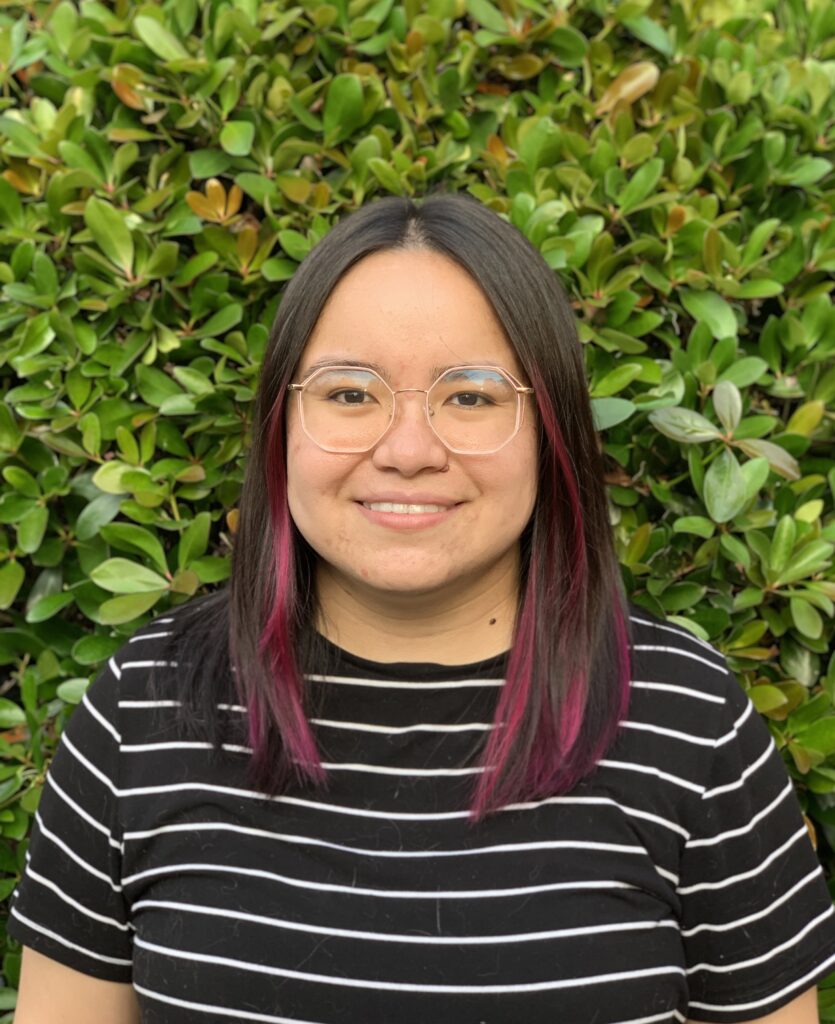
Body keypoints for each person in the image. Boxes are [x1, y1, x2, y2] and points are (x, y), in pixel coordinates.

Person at [9, 192, 835, 1024]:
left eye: (471, 396)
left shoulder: (688, 724)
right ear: (280, 424)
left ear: (549, 428)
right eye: (348, 394)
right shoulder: (144, 708)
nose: (407, 451)